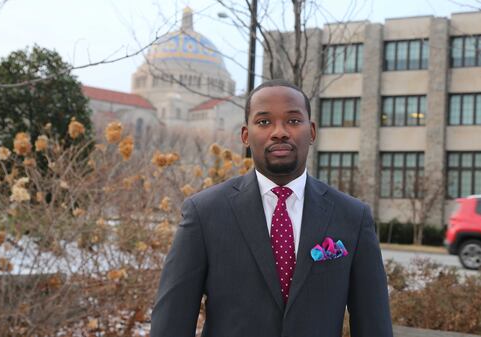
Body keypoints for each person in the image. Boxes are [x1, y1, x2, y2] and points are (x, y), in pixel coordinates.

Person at [150, 79, 393, 337]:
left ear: (311, 131)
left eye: (293, 120)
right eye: (264, 122)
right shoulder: (204, 213)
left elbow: (373, 324)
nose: (279, 132)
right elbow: (171, 322)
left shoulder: (353, 217)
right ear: (245, 135)